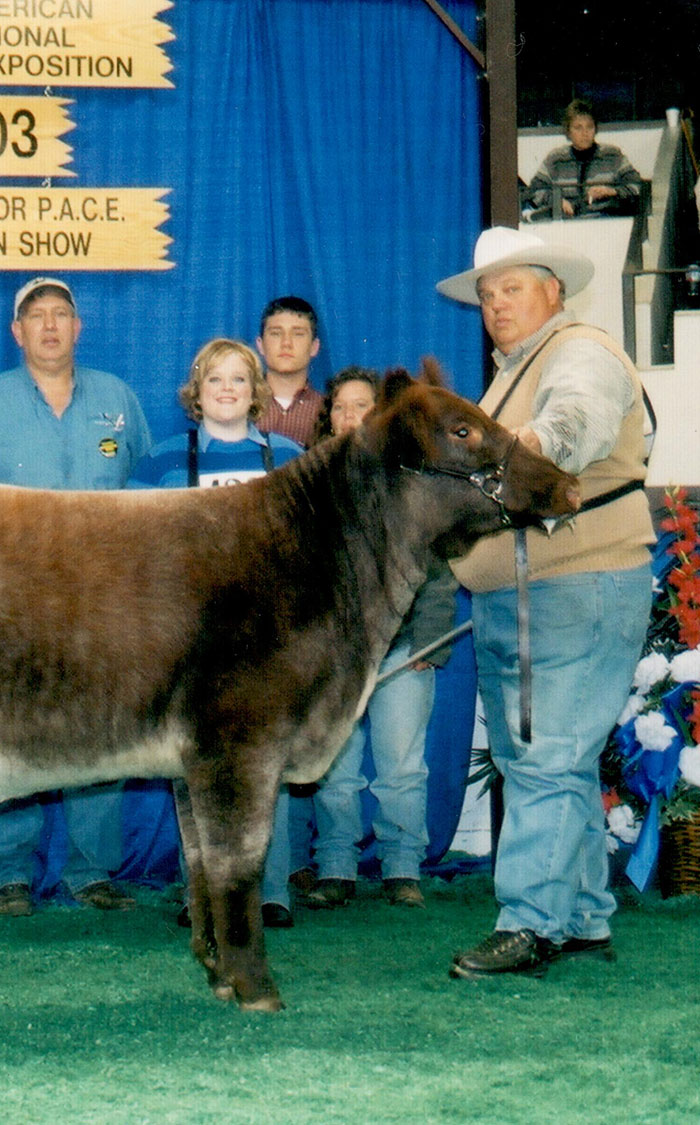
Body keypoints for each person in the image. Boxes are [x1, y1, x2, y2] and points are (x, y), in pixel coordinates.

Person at [438, 227, 652, 977]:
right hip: (523, 591)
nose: (497, 304)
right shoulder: (515, 370)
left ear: (554, 292)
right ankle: (584, 914)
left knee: (549, 754)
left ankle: (530, 922)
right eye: (488, 294)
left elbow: (568, 433)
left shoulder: (580, 352)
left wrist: (460, 475)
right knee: (544, 755)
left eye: (513, 288)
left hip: (575, 581)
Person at [0, 276, 152, 916]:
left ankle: (92, 871)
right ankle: (10, 873)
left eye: (61, 315)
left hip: (105, 603)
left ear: (79, 328)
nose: (49, 326)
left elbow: (151, 498)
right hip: (12, 601)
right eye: (36, 317)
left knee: (102, 731)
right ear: (17, 333)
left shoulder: (118, 399)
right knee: (12, 731)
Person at [129, 338, 303, 928]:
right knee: (193, 766)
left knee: (262, 765)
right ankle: (199, 892)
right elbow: (136, 555)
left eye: (237, 380)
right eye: (214, 381)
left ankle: (269, 890)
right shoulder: (161, 462)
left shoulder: (289, 458)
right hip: (190, 637)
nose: (226, 390)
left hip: (267, 640)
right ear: (195, 394)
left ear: (255, 392)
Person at [304, 368, 458, 911]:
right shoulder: (311, 483)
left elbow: (437, 569)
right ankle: (337, 866)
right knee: (336, 769)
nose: (351, 416)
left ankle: (401, 867)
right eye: (340, 407)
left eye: (362, 405)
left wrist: (430, 643)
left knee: (401, 766)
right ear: (328, 417)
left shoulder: (411, 477)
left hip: (401, 646)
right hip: (335, 657)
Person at [526, 99, 643, 221]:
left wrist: (611, 191)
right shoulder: (555, 159)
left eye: (589, 127)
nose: (585, 133)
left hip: (605, 226)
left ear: (595, 129)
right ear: (568, 131)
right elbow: (534, 190)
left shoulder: (612, 156)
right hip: (566, 228)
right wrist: (557, 201)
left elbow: (637, 186)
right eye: (578, 128)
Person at [255, 296, 325, 448]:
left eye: (298, 334)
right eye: (276, 333)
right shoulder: (240, 404)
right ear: (260, 345)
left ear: (314, 346)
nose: (286, 343)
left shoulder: (328, 410)